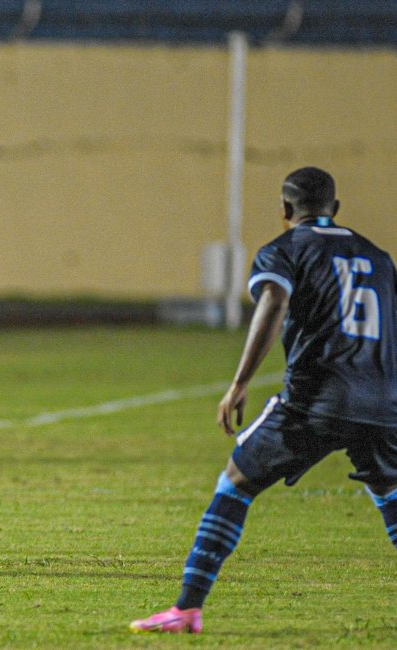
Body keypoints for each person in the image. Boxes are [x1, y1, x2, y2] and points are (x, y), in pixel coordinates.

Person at [130, 167, 397, 634]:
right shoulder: (379, 257)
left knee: (235, 482)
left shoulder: (285, 249)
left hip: (316, 399)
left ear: (285, 210)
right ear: (336, 208)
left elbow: (274, 300)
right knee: (391, 497)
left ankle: (187, 609)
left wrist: (239, 382)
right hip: (383, 401)